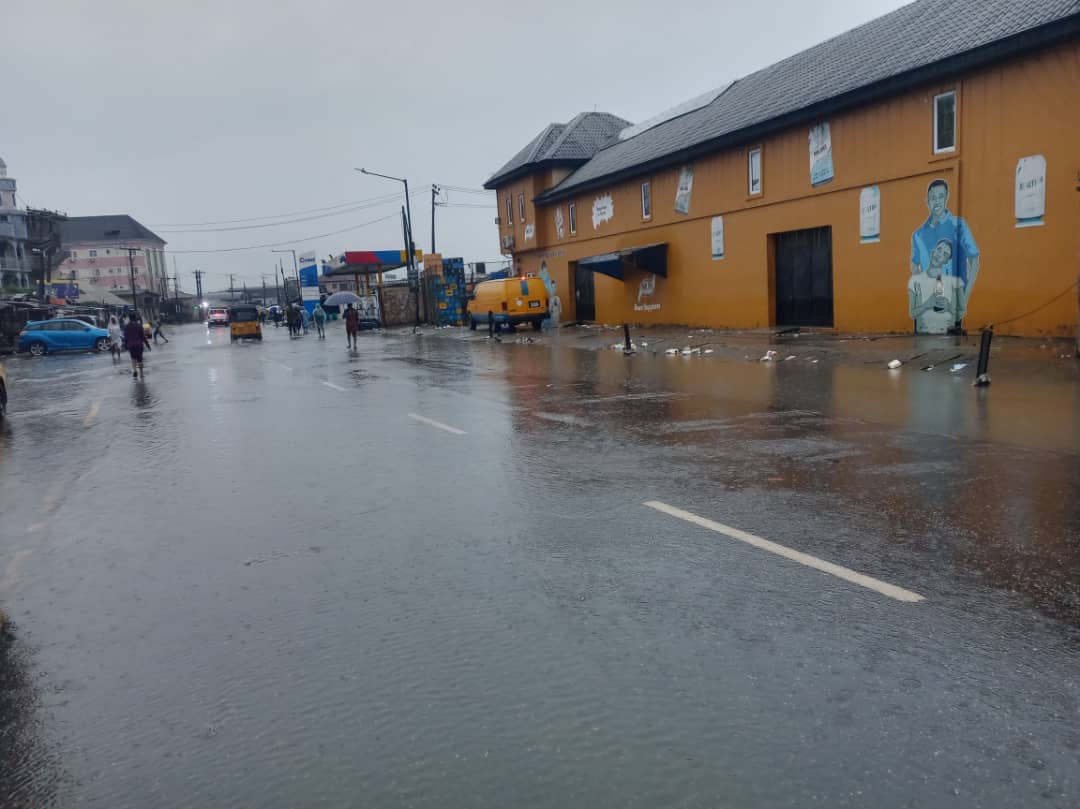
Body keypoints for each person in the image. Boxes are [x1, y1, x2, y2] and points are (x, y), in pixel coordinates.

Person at [910, 179, 980, 331]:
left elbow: (974, 260)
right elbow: (914, 264)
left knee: (952, 349)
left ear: (947, 197)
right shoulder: (918, 235)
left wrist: (965, 296)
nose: (937, 201)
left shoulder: (958, 225)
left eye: (941, 196)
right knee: (922, 349)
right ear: (927, 201)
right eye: (933, 197)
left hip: (952, 303)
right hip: (926, 306)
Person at [908, 239, 964, 334]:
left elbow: (961, 313)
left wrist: (949, 307)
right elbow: (912, 313)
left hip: (948, 337)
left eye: (945, 254)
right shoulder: (916, 281)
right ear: (933, 250)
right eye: (939, 249)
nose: (939, 254)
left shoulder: (954, 282)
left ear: (947, 261)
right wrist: (926, 305)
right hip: (923, 336)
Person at [123, 313, 151, 379]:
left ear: (129, 319)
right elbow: (143, 337)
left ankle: (135, 370)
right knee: (140, 359)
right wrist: (147, 345)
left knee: (133, 358)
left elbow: (126, 337)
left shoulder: (126, 327)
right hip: (139, 345)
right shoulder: (139, 326)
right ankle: (141, 374)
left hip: (131, 345)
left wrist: (125, 345)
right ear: (135, 318)